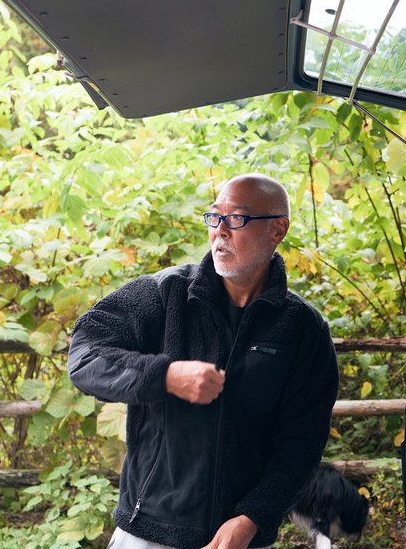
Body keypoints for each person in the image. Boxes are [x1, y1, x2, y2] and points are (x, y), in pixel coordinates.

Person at [68, 173, 339, 549]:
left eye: (237, 219)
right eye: (214, 217)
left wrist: (253, 517)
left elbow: (302, 443)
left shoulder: (303, 328)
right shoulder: (164, 294)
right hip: (147, 532)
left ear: (278, 230)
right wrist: (164, 375)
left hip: (237, 538)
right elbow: (84, 356)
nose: (220, 231)